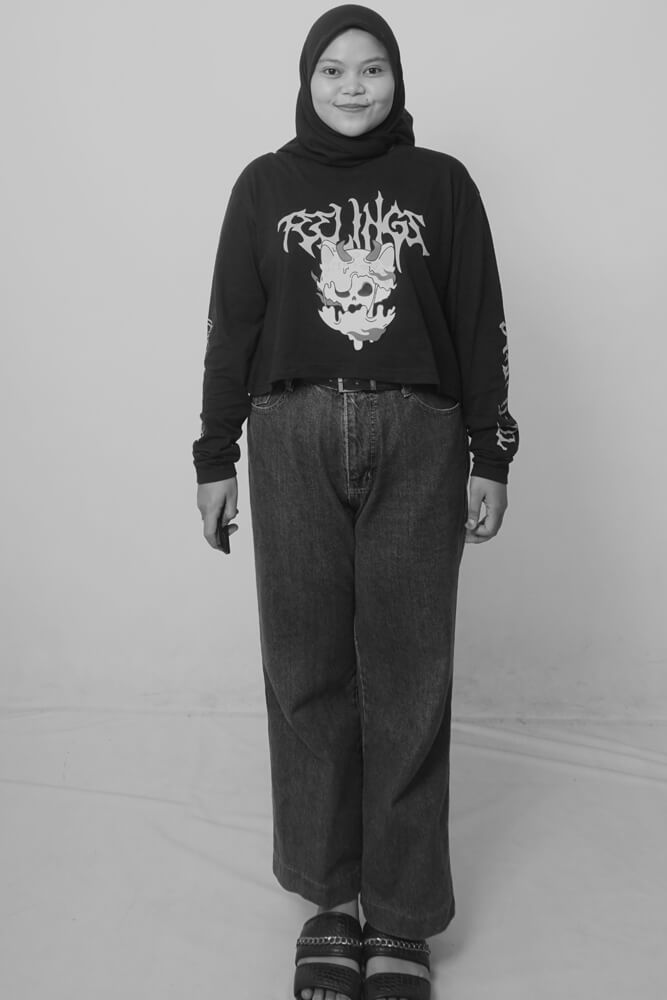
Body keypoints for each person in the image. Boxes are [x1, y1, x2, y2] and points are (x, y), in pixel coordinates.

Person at [193, 5, 519, 999]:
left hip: (419, 432)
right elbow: (230, 325)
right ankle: (330, 901)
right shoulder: (264, 186)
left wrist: (491, 451)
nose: (351, 86)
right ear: (306, 80)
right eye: (332, 69)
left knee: (408, 674)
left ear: (396, 79)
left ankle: (402, 917)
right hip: (287, 432)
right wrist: (213, 455)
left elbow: (478, 319)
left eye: (371, 68)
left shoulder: (441, 185)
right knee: (305, 669)